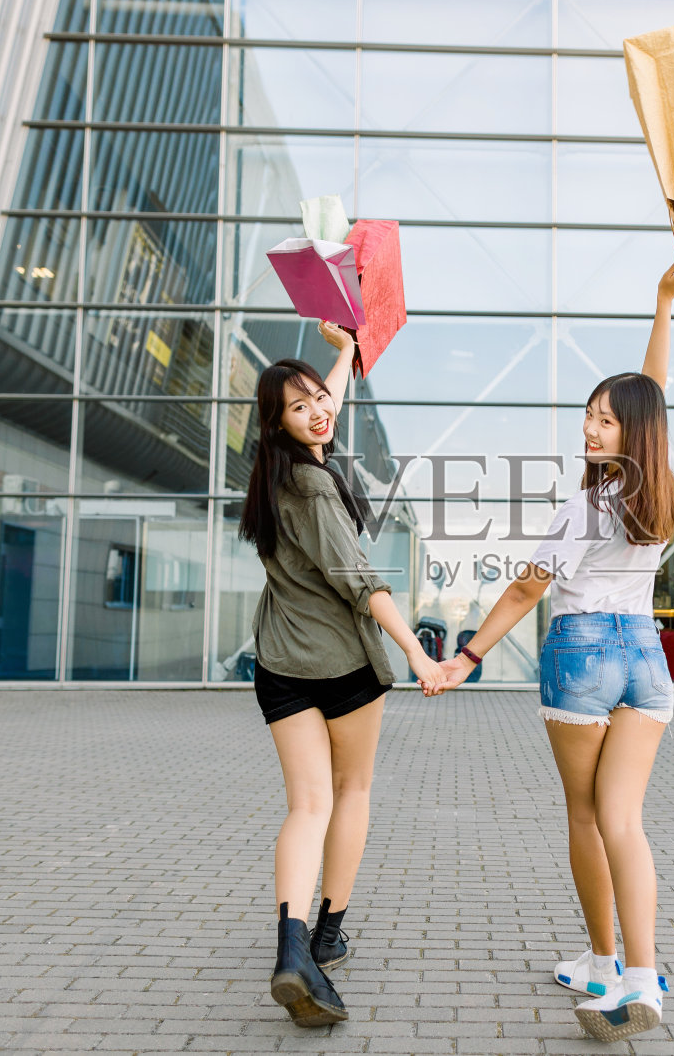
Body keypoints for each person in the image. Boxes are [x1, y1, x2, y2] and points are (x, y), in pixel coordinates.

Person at [427, 260, 674, 1041]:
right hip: (645, 657)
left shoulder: (586, 506)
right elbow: (655, 394)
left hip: (582, 653)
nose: (591, 427)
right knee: (627, 820)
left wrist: (463, 658)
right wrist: (662, 304)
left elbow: (522, 593)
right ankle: (636, 973)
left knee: (588, 813)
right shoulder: (659, 491)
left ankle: (612, 963)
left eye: (606, 420)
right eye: (588, 415)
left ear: (627, 432)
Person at [239, 321, 446, 1027]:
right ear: (279, 423)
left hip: (278, 663)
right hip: (343, 665)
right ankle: (324, 934)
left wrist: (346, 353)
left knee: (305, 805)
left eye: (319, 398)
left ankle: (290, 945)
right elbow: (361, 580)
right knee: (351, 789)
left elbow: (330, 399)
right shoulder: (317, 488)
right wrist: (417, 653)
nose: (320, 410)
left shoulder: (270, 474)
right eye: (299, 408)